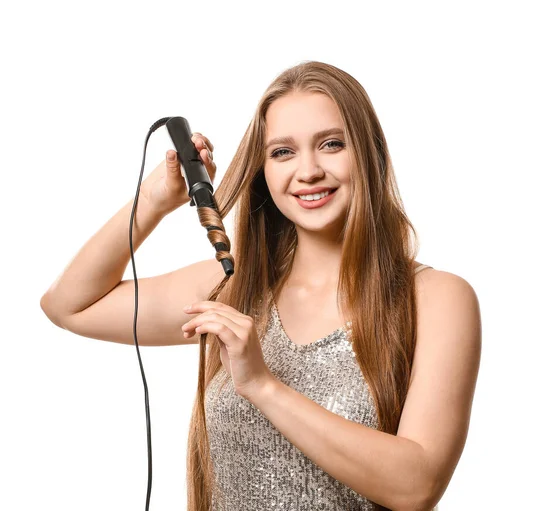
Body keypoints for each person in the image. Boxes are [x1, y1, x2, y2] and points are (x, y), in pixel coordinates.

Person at [40, 61, 481, 511]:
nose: (307, 171)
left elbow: (416, 486)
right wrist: (154, 201)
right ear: (263, 172)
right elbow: (70, 306)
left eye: (331, 144)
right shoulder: (233, 287)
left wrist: (263, 385)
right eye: (283, 152)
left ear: (370, 154)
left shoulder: (435, 299)